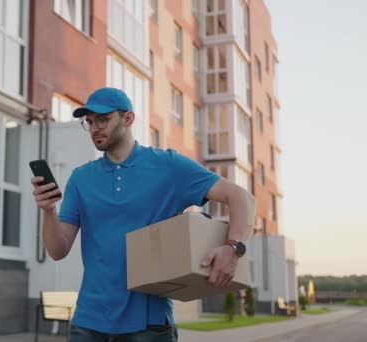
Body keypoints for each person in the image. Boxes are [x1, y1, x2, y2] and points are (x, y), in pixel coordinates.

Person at [31, 87, 256, 342]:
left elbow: (242, 199)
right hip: (89, 322)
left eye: (103, 119)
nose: (94, 128)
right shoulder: (81, 178)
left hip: (148, 326)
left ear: (128, 119)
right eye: (90, 122)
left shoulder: (168, 166)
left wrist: (233, 248)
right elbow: (58, 250)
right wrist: (49, 211)